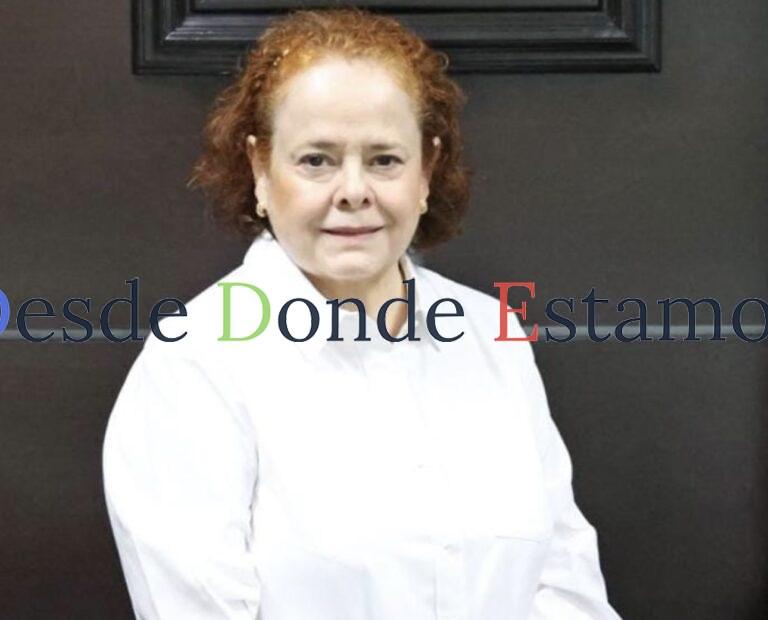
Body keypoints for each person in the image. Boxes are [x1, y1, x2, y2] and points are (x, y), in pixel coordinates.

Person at [102, 7, 622, 619]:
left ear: (426, 171)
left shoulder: (491, 335)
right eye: (316, 160)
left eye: (384, 160)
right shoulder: (195, 363)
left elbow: (565, 589)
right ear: (260, 169)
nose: (353, 191)